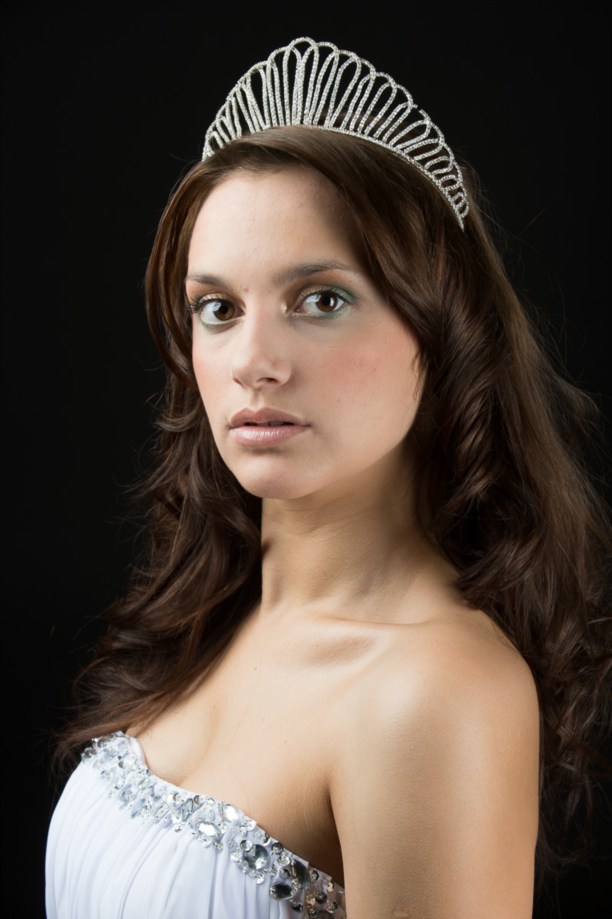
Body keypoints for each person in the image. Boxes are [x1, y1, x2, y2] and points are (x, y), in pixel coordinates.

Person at [44, 36, 611, 919]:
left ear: (442, 330)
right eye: (218, 308)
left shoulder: (432, 692)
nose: (253, 361)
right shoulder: (210, 616)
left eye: (321, 299)